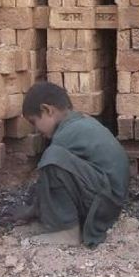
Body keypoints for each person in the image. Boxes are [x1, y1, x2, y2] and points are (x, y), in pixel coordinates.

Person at [16, 82, 129, 247]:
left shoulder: (65, 136)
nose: (36, 130)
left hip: (105, 204)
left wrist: (31, 210)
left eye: (34, 122)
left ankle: (67, 232)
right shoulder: (79, 122)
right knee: (53, 163)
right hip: (110, 197)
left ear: (48, 110)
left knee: (51, 160)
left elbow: (48, 180)